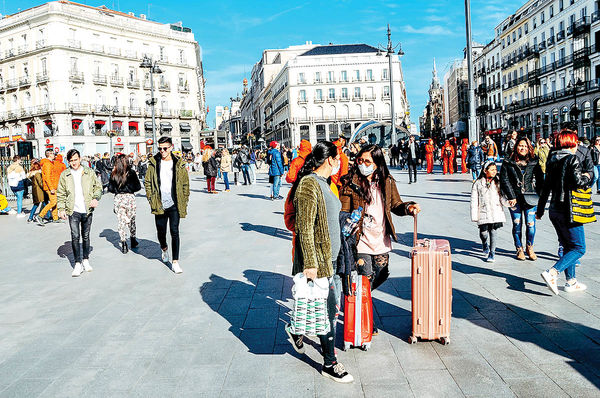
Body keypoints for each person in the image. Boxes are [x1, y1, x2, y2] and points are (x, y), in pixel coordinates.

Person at [284, 141, 354, 383]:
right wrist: (311, 264)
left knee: (328, 310)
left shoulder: (326, 183)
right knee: (327, 312)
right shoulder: (308, 185)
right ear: (331, 159)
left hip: (332, 258)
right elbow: (304, 226)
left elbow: (326, 218)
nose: (342, 162)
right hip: (319, 262)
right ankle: (330, 363)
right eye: (340, 158)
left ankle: (295, 329)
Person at [339, 144, 420, 333]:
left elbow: (396, 204)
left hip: (380, 238)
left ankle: (355, 297)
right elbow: (343, 211)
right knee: (365, 279)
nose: (362, 164)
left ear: (377, 163)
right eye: (360, 160)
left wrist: (408, 208)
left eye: (367, 161)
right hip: (360, 239)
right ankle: (365, 320)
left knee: (382, 273)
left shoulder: (387, 181)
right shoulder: (351, 181)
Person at [537, 130, 592, 295]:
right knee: (579, 248)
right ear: (570, 143)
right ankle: (552, 272)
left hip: (554, 210)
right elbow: (578, 182)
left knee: (568, 246)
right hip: (569, 210)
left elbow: (545, 188)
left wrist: (540, 210)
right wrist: (588, 176)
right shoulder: (572, 159)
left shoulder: (552, 160)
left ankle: (571, 282)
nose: (577, 146)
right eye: (575, 142)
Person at [144, 136, 190, 274]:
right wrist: (151, 198)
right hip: (159, 203)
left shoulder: (178, 163)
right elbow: (147, 182)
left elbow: (185, 183)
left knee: (175, 231)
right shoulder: (153, 163)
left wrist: (184, 198)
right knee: (161, 231)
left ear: (171, 147)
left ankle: (175, 261)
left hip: (175, 203)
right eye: (160, 148)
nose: (162, 151)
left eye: (165, 148)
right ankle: (164, 248)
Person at [56, 149, 102, 277]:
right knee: (75, 236)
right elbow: (61, 193)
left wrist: (95, 198)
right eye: (71, 161)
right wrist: (61, 208)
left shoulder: (89, 172)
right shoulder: (65, 175)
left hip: (87, 209)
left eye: (75, 160)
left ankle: (86, 259)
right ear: (68, 161)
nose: (73, 163)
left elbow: (98, 187)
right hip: (73, 210)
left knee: (86, 236)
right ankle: (77, 263)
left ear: (80, 159)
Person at [500, 137, 544, 261]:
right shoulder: (508, 161)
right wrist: (511, 196)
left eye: (525, 146)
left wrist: (540, 196)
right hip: (514, 197)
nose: (523, 148)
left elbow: (540, 180)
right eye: (520, 145)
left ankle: (529, 247)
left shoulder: (534, 161)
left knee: (530, 224)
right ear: (516, 147)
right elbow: (504, 179)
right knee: (517, 224)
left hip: (530, 197)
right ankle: (519, 248)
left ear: (529, 147)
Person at [470, 161, 507, 263]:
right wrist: (474, 215)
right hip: (483, 211)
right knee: (483, 233)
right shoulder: (478, 183)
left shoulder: (498, 182)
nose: (494, 171)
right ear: (485, 171)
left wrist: (509, 203)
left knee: (493, 232)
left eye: (495, 169)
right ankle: (484, 243)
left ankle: (492, 252)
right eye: (492, 170)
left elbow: (502, 197)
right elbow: (474, 200)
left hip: (495, 211)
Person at [108, 154, 142, 254]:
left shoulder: (114, 173)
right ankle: (133, 238)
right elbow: (138, 187)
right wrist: (129, 188)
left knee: (121, 221)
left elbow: (110, 188)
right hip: (129, 198)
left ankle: (123, 243)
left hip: (119, 198)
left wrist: (117, 189)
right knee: (131, 219)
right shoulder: (131, 173)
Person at [39, 149, 59, 222]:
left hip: (53, 186)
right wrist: (51, 188)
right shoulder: (47, 164)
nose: (54, 155)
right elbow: (47, 177)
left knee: (55, 202)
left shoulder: (50, 163)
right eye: (53, 154)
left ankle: (55, 218)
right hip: (50, 187)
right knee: (53, 202)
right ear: (49, 154)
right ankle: (40, 215)